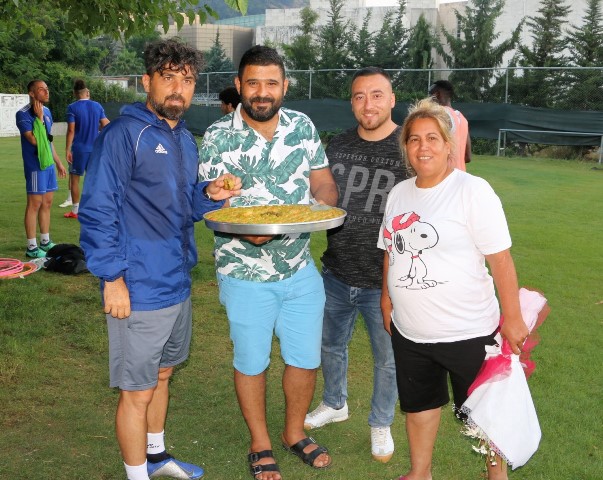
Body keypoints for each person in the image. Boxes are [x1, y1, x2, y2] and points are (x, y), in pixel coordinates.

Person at [79, 39, 241, 480]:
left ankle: (155, 458)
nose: (178, 89)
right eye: (168, 77)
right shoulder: (123, 136)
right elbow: (97, 209)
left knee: (164, 375)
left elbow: (183, 207)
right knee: (136, 390)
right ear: (147, 81)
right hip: (137, 287)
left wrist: (208, 195)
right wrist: (111, 279)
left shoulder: (185, 140)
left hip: (176, 282)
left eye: (187, 80)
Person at [199, 45, 338, 480]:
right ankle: (260, 442)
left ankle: (294, 432)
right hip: (244, 272)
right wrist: (243, 229)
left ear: (285, 86)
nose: (262, 92)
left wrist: (320, 210)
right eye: (253, 83)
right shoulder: (217, 136)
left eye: (271, 83)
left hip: (299, 268)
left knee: (304, 357)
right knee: (252, 360)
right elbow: (207, 204)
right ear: (239, 85)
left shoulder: (303, 126)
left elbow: (323, 184)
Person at [379, 98, 528, 480]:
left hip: (469, 332)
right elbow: (390, 250)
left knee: (485, 411)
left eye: (433, 138)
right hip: (411, 332)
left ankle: (497, 476)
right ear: (406, 147)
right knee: (419, 405)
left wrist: (512, 319)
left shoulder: (472, 191)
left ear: (449, 145)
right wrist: (386, 297)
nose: (423, 147)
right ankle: (420, 472)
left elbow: (502, 261)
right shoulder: (399, 193)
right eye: (414, 139)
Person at [304, 67, 408, 463]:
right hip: (336, 270)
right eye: (360, 96)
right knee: (330, 344)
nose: (369, 104)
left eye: (377, 95)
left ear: (392, 99)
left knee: (388, 358)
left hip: (386, 280)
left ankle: (380, 421)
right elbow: (320, 194)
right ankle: (335, 402)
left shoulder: (407, 146)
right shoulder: (338, 144)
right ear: (352, 102)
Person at [16, 79, 67, 258]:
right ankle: (31, 246)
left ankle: (45, 242)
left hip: (48, 165)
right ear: (31, 93)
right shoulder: (23, 114)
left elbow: (49, 139)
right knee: (34, 204)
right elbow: (35, 141)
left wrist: (58, 162)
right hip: (35, 166)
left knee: (47, 203)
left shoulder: (47, 111)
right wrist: (38, 119)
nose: (46, 92)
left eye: (47, 88)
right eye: (41, 89)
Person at [63, 79, 110, 219]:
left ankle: (76, 211)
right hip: (95, 149)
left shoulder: (72, 107)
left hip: (79, 149)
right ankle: (95, 208)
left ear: (74, 93)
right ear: (86, 92)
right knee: (94, 179)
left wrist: (67, 149)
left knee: (75, 179)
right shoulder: (97, 106)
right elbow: (106, 124)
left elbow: (71, 130)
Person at [429, 80, 471, 170]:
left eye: (430, 96)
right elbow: (467, 157)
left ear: (437, 94)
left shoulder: (439, 114)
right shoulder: (462, 118)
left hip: (444, 177)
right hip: (461, 177)